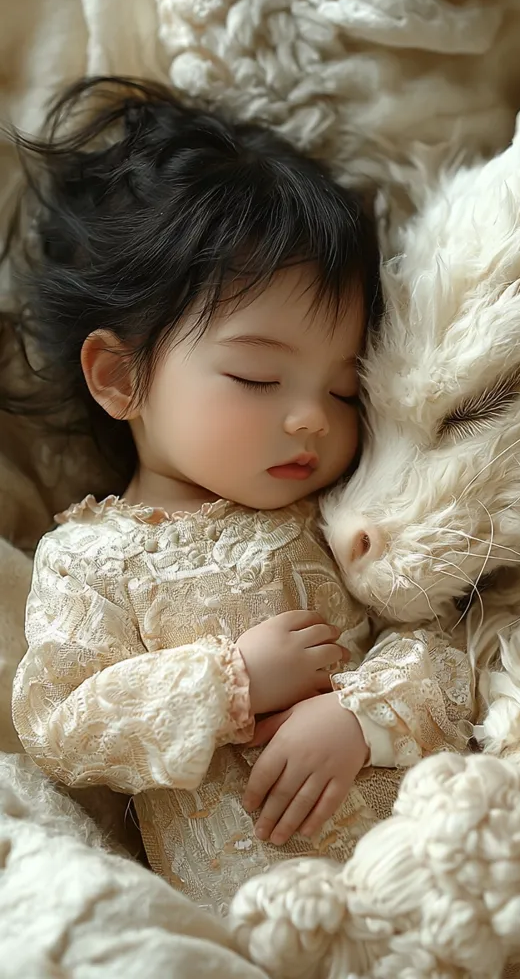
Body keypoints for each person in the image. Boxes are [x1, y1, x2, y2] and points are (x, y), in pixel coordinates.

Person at [8, 77, 473, 914]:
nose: (310, 421)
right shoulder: (87, 560)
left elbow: (446, 646)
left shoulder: (340, 514)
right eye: (258, 376)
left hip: (426, 866)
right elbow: (61, 727)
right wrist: (230, 682)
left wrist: (358, 721)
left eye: (341, 391)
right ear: (120, 377)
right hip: (255, 914)